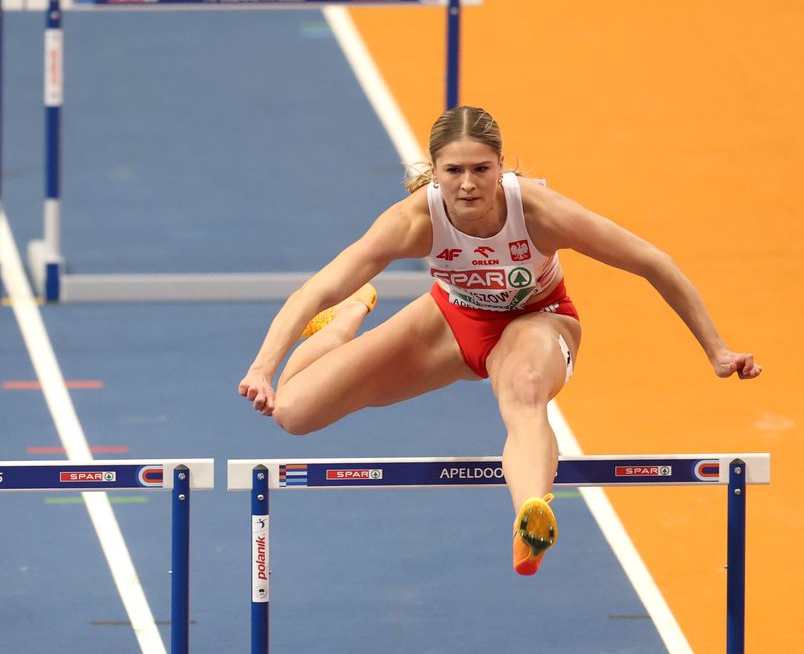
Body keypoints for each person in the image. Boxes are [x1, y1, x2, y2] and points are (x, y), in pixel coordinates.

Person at [237, 106, 760, 576]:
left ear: (501, 166)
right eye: (454, 171)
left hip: (540, 320)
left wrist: (716, 350)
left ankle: (531, 517)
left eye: (481, 169)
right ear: (434, 172)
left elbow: (652, 261)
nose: (468, 185)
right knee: (294, 413)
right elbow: (316, 288)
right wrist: (262, 368)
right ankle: (350, 317)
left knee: (525, 389)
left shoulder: (538, 211)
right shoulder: (412, 221)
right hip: (449, 321)